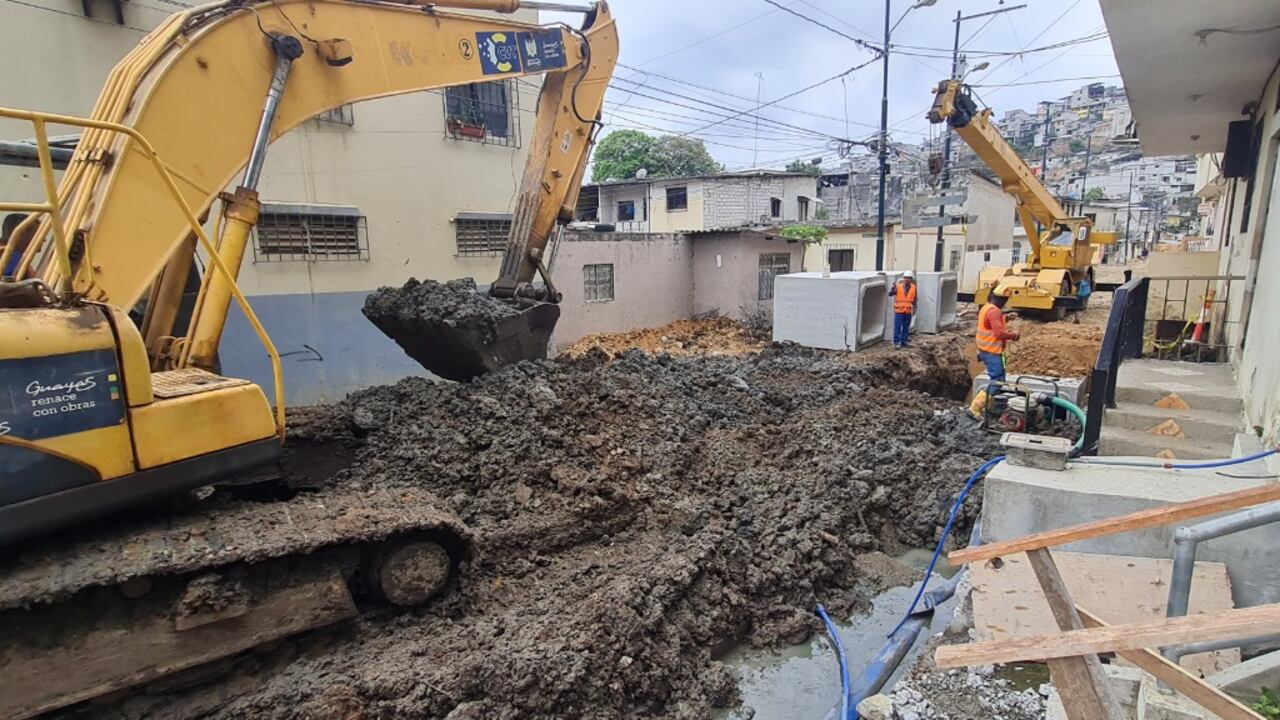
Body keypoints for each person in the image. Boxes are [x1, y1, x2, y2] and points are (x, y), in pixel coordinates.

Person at [969, 284, 1020, 418]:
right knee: (997, 381)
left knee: (1000, 378)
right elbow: (998, 333)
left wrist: (1006, 318)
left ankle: (987, 405)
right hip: (992, 351)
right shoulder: (994, 311)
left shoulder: (986, 307)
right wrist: (1013, 335)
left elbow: (991, 323)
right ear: (1002, 299)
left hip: (987, 350)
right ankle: (975, 407)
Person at [889, 270, 917, 348]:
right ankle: (896, 342)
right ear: (903, 278)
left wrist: (914, 308)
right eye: (905, 278)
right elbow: (890, 294)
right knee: (897, 327)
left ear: (911, 279)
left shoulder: (913, 288)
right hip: (899, 310)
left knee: (906, 327)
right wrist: (892, 288)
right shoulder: (898, 286)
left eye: (908, 278)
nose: (907, 279)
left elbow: (915, 299)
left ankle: (904, 342)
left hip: (908, 311)